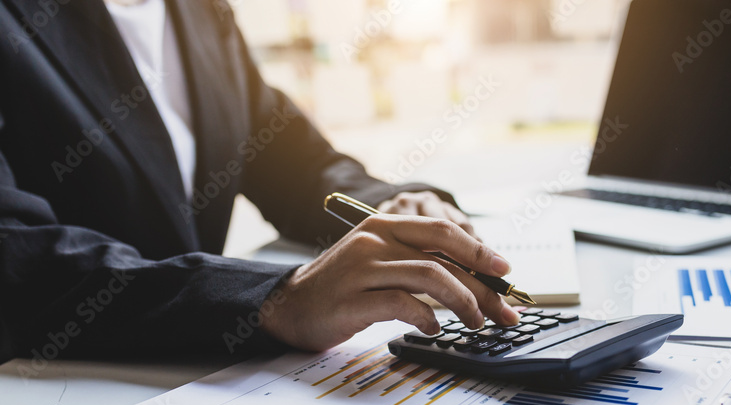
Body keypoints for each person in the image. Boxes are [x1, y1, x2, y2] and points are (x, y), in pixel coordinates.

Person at [0, 0, 519, 363]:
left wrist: (391, 209)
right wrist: (272, 299)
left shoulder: (199, 9)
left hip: (197, 387)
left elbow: (291, 161)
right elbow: (18, 262)